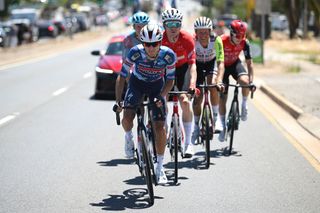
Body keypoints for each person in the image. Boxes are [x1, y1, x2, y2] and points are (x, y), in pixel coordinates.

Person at [115, 23, 176, 184]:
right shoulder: (135, 53)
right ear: (142, 44)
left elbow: (170, 80)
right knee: (128, 116)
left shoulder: (168, 55)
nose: (150, 48)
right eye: (147, 44)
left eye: (154, 44)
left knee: (159, 127)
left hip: (157, 86)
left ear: (160, 43)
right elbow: (122, 76)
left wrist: (162, 96)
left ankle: (160, 166)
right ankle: (129, 137)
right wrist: (119, 101)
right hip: (137, 84)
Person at [161, 8, 197, 158]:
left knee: (185, 101)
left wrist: (192, 85)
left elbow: (193, 65)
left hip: (183, 70)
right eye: (170, 24)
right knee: (162, 100)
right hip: (164, 70)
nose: (173, 28)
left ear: (181, 25)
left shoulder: (187, 39)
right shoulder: (160, 39)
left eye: (176, 24)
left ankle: (188, 143)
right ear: (164, 26)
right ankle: (164, 130)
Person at [218, 20, 255, 142]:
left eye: (243, 36)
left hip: (234, 64)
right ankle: (223, 127)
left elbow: (249, 64)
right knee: (222, 96)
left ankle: (244, 104)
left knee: (245, 81)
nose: (240, 38)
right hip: (222, 65)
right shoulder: (222, 40)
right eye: (238, 36)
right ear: (231, 33)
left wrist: (251, 81)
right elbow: (219, 63)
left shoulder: (245, 42)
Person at [191, 16, 225, 144]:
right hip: (198, 66)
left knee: (212, 85)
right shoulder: (192, 40)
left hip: (211, 64)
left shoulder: (216, 40)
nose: (203, 35)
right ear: (196, 32)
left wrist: (219, 80)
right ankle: (195, 127)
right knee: (197, 98)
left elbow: (221, 62)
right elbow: (191, 63)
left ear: (210, 31)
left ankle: (216, 118)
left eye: (205, 32)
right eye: (200, 32)